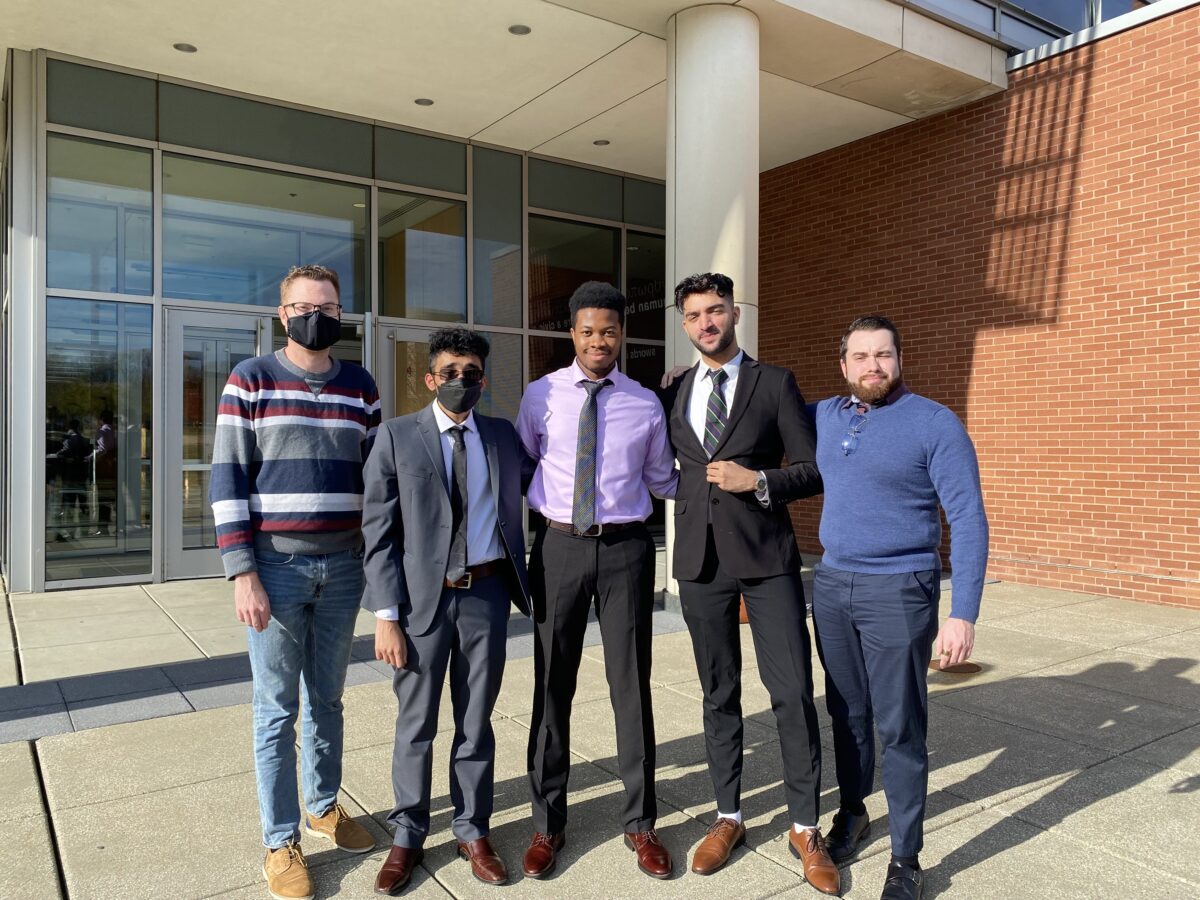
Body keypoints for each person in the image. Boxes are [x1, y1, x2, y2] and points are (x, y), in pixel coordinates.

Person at [660, 273, 837, 894]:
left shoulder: (775, 382)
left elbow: (813, 470)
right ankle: (728, 815)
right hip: (700, 562)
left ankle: (805, 825)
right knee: (718, 694)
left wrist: (757, 482)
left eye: (715, 310)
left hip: (767, 558)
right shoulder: (677, 388)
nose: (706, 322)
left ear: (735, 313)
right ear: (683, 324)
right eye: (694, 315)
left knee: (791, 691)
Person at [209, 264, 380, 900]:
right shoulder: (250, 379)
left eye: (329, 305)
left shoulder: (360, 386)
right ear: (284, 315)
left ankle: (324, 804)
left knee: (329, 701)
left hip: (343, 567)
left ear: (341, 313)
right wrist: (242, 571)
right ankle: (280, 841)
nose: (318, 315)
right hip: (275, 569)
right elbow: (227, 478)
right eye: (306, 306)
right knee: (277, 709)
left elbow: (374, 479)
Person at [810, 315, 988, 900]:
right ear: (843, 366)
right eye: (860, 357)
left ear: (899, 358)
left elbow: (966, 518)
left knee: (900, 725)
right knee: (847, 713)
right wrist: (681, 378)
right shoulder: (829, 416)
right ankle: (854, 810)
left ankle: (907, 857)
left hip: (900, 589)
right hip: (833, 585)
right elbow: (757, 410)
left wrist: (963, 612)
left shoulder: (934, 423)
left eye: (882, 355)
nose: (872, 367)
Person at [361, 327, 533, 895]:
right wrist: (386, 615)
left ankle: (471, 828)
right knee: (416, 724)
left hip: (485, 595)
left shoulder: (504, 438)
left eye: (473, 373)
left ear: (484, 380)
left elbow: (559, 478)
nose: (462, 382)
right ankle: (407, 834)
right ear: (430, 378)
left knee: (476, 720)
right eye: (451, 372)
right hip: (420, 605)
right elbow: (378, 533)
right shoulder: (395, 437)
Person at [516, 281, 678, 880]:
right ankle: (546, 824)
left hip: (627, 551)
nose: (598, 341)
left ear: (621, 336)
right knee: (551, 685)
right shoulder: (541, 396)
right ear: (572, 335)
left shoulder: (645, 403)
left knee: (631, 688)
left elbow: (665, 481)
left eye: (608, 331)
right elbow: (524, 463)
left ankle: (640, 825)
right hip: (557, 546)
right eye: (587, 331)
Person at [89, 411, 117, 536]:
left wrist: (89, 457)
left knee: (103, 499)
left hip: (103, 469)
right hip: (114, 470)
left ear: (101, 420)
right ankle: (115, 525)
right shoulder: (116, 432)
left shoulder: (102, 432)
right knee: (112, 499)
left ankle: (103, 527)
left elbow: (102, 449)